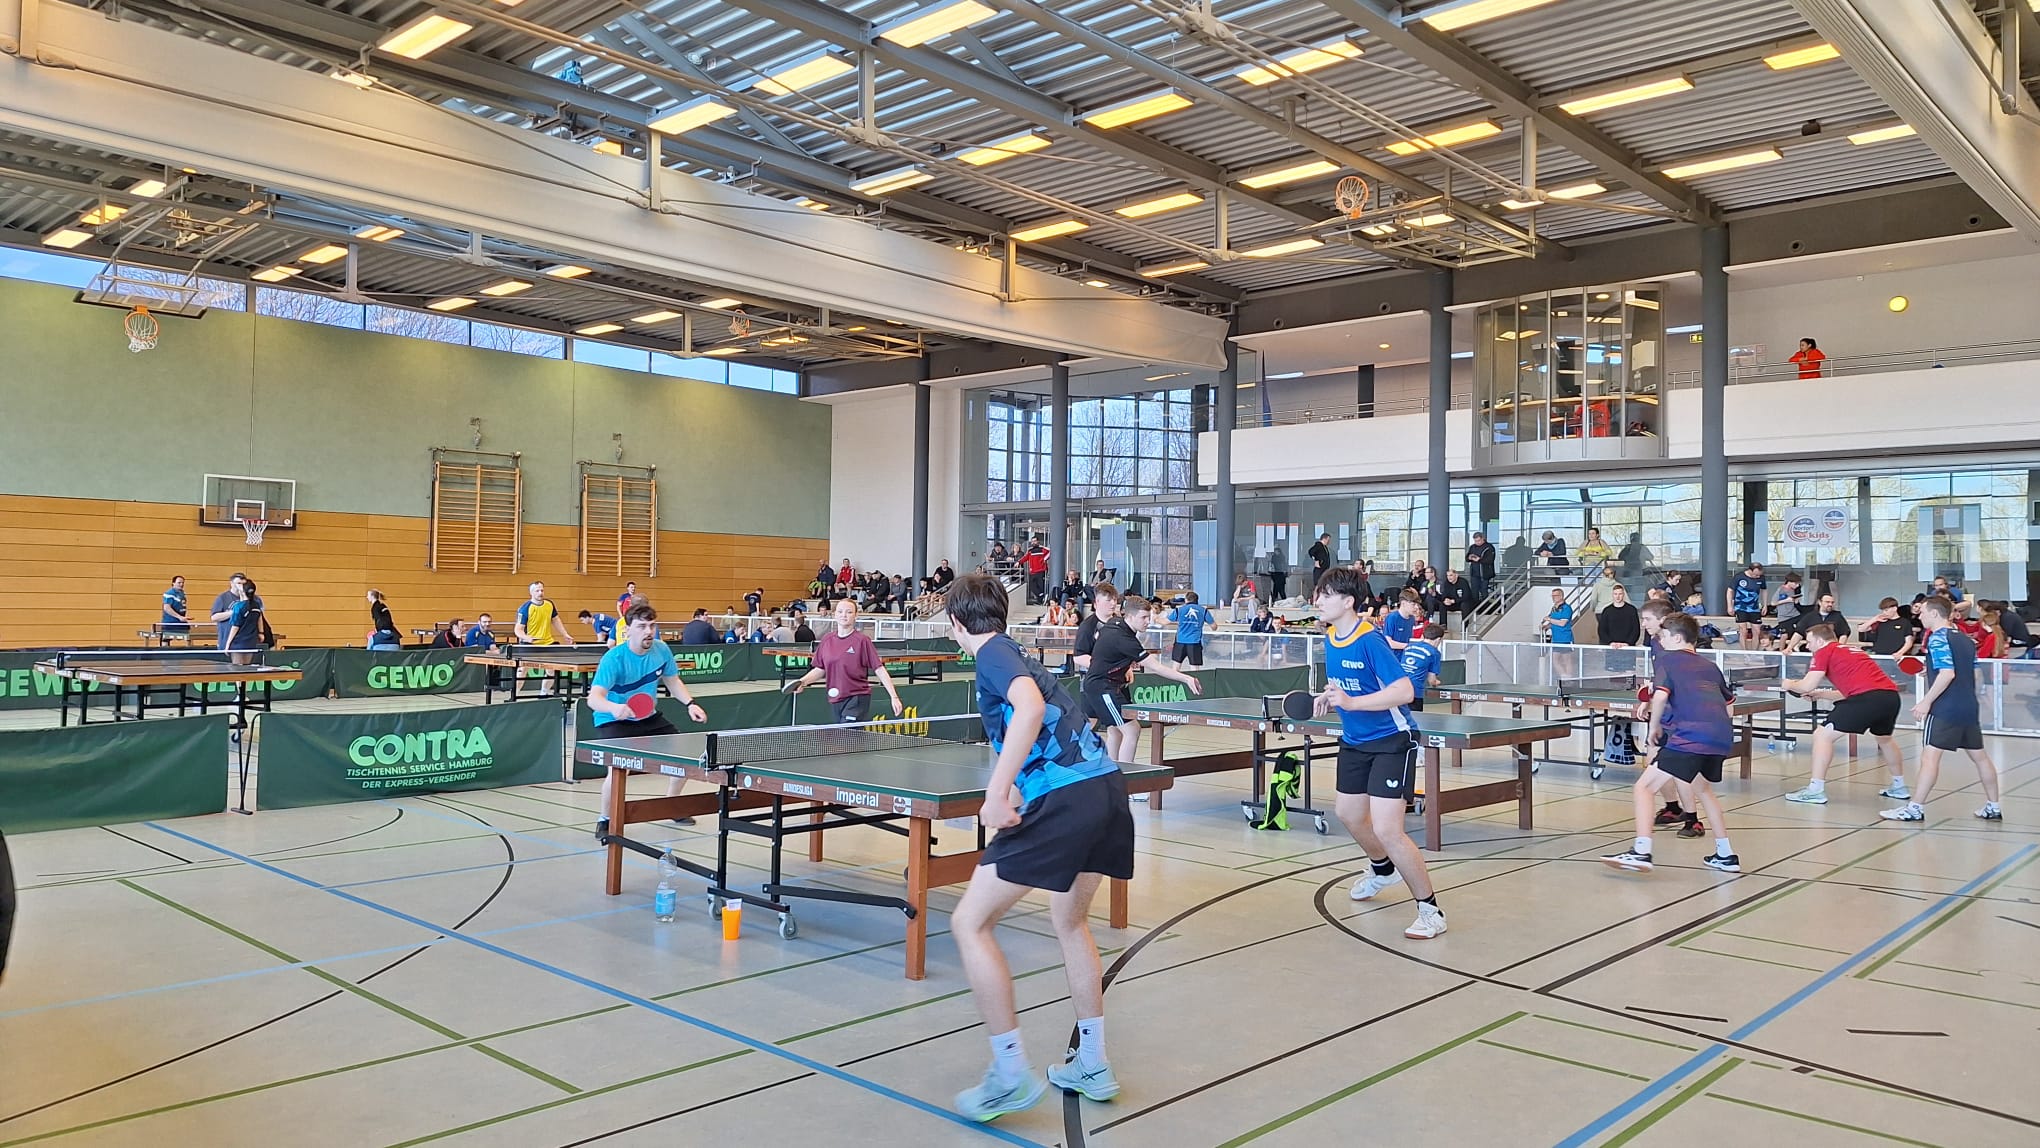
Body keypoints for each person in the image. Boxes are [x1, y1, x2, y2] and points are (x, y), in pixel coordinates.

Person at [941, 573, 1134, 1121]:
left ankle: (1008, 1073)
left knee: (970, 923)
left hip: (1065, 798)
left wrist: (996, 791)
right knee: (1070, 921)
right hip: (1105, 789)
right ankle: (1091, 1062)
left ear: (956, 623)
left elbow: (1027, 709)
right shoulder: (1017, 651)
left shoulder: (991, 654)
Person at [1310, 567, 1445, 939]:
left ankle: (1430, 910)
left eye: (1325, 594)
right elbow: (1347, 684)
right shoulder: (1331, 636)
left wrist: (1352, 703)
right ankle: (1382, 869)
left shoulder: (1370, 640)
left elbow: (1404, 691)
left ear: (1348, 601)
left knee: (1387, 829)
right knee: (1348, 814)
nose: (1317, 600)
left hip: (1391, 740)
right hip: (1355, 740)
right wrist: (1330, 695)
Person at [1601, 614, 1741, 875]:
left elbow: (1660, 697)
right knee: (1703, 789)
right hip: (1720, 737)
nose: (1660, 640)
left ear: (1677, 638)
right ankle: (1726, 855)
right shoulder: (1710, 666)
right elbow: (1729, 706)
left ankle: (1641, 851)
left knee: (1644, 787)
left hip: (1690, 736)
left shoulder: (1668, 660)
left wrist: (1654, 726)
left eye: (1663, 636)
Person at [588, 602, 708, 835]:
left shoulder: (661, 650)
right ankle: (605, 820)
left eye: (652, 626)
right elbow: (594, 698)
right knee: (619, 769)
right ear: (628, 630)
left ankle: (671, 804)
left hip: (647, 717)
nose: (649, 631)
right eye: (642, 626)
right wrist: (614, 708)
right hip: (613, 718)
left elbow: (672, 680)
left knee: (684, 758)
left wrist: (690, 703)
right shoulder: (614, 658)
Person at [1882, 596, 2002, 822]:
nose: (1920, 616)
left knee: (1929, 757)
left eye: (1923, 612)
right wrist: (1931, 671)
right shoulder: (1966, 639)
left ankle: (1914, 808)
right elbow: (1974, 673)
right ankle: (1993, 807)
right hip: (1968, 706)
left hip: (1945, 708)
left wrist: (1926, 701)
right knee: (1980, 757)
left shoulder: (1937, 638)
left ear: (1935, 614)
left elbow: (1948, 673)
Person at [1782, 624, 1906, 805]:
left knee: (1822, 735)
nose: (1807, 646)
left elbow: (1806, 685)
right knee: (1884, 739)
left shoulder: (1824, 651)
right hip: (1889, 697)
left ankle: (1815, 790)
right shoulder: (1852, 650)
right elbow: (1854, 690)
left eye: (1809, 642)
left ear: (1819, 641)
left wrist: (1788, 684)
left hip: (1867, 699)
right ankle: (1899, 787)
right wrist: (1821, 694)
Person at [1082, 594, 1202, 766]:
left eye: (1149, 616)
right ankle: (1126, 778)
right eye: (1143, 617)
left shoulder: (1115, 624)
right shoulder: (1125, 640)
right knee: (1132, 730)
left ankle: (1112, 774)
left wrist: (1122, 665)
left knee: (1116, 731)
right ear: (1130, 617)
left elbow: (1101, 641)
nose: (1148, 621)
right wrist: (1186, 678)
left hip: (1107, 684)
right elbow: (1157, 667)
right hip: (1102, 687)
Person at [788, 599, 903, 724]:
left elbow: (879, 669)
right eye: (840, 611)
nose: (844, 615)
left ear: (855, 615)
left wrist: (894, 696)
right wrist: (802, 682)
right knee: (845, 735)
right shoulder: (827, 640)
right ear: (835, 614)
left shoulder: (862, 641)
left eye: (849, 612)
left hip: (857, 698)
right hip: (836, 699)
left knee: (847, 731)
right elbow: (821, 669)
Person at [1072, 582, 1118, 676]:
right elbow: (1078, 657)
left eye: (1115, 600)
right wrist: (1107, 668)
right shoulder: (1087, 626)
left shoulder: (1120, 623)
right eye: (1108, 600)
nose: (1113, 604)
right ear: (1097, 602)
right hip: (1095, 677)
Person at [1400, 622, 1445, 712]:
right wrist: (1437, 683)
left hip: (1398, 687)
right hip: (1415, 691)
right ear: (1438, 639)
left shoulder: (1409, 646)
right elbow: (1432, 680)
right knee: (1416, 718)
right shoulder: (1434, 653)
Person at [515, 581, 575, 646]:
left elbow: (556, 620)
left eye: (542, 590)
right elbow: (518, 630)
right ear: (531, 593)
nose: (540, 593)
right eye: (537, 591)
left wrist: (565, 634)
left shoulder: (549, 604)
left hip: (548, 643)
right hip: (530, 644)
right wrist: (526, 637)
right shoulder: (524, 609)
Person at [224, 577, 267, 665]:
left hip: (238, 643)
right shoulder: (256, 605)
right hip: (250, 642)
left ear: (242, 592)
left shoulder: (239, 607)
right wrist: (261, 633)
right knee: (247, 668)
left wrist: (227, 644)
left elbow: (235, 626)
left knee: (237, 669)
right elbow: (260, 619)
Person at [1165, 591, 1214, 667]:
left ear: (1186, 599)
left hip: (1180, 641)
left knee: (1176, 667)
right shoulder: (1204, 610)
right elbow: (1214, 626)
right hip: (1195, 641)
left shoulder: (1179, 610)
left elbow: (1165, 622)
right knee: (1194, 668)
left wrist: (1155, 618)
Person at [1729, 562, 1766, 648]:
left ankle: (1754, 652)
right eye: (1756, 575)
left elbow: (1764, 590)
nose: (1758, 576)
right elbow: (1730, 591)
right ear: (1750, 570)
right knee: (1743, 630)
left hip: (1754, 607)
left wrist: (1765, 605)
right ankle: (1744, 652)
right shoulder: (1739, 577)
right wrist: (1730, 606)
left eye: (1759, 575)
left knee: (1757, 630)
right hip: (1740, 607)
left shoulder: (1761, 578)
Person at [209, 572, 247, 650]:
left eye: (243, 584)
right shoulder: (222, 598)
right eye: (238, 583)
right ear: (231, 584)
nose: (241, 586)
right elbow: (214, 617)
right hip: (226, 638)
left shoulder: (251, 598)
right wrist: (234, 613)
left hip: (244, 640)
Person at [1465, 532, 1497, 600]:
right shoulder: (1472, 547)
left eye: (1478, 540)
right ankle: (1475, 605)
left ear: (1483, 539)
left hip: (1485, 574)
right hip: (1474, 573)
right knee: (1474, 591)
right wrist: (1469, 557)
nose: (1477, 542)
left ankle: (1485, 605)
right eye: (1475, 541)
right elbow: (1467, 558)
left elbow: (1490, 560)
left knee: (1484, 591)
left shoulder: (1489, 547)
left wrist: (1479, 560)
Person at [1021, 538, 1050, 604]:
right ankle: (1041, 597)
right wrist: (1019, 562)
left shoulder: (1042, 549)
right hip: (1033, 571)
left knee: (1040, 586)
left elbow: (1050, 552)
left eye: (1035, 541)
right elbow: (1025, 557)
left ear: (1038, 541)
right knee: (1032, 586)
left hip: (1041, 570)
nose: (1033, 542)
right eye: (1032, 541)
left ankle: (1041, 600)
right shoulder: (1030, 550)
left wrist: (1044, 559)